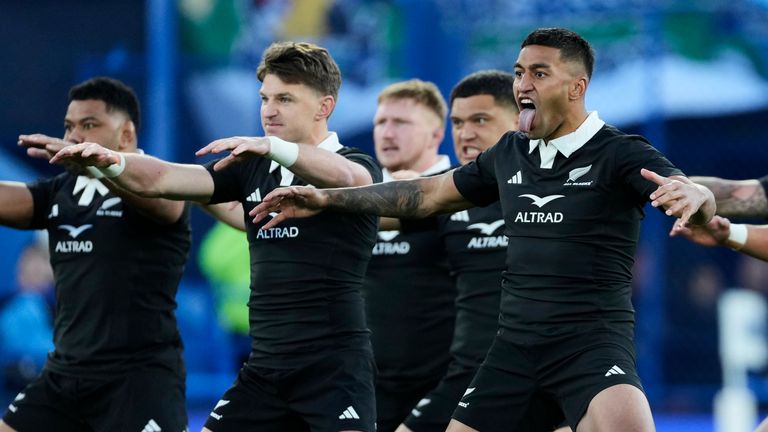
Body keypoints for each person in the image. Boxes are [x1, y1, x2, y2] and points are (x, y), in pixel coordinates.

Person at [248, 28, 716, 431]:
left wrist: (696, 199)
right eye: (518, 72)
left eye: (538, 73)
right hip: (514, 349)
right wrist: (327, 199)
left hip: (590, 344)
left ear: (577, 87)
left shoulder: (620, 152)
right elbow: (424, 196)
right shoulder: (509, 152)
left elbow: (688, 194)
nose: (522, 84)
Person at [51, 41, 382, 432]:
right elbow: (166, 178)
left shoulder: (356, 164)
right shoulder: (251, 168)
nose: (269, 110)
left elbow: (349, 180)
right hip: (266, 369)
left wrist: (273, 146)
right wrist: (112, 163)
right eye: (264, 98)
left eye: (285, 99)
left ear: (324, 107)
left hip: (335, 369)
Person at [0, 77, 191, 432]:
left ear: (127, 135)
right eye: (70, 127)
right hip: (64, 378)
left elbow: (162, 199)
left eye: (89, 125)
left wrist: (104, 165)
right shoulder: (60, 192)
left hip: (137, 381)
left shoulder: (161, 184)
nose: (74, 137)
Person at [392, 70, 519, 432]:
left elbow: (656, 182)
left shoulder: (554, 186)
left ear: (520, 121)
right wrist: (319, 198)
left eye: (480, 120)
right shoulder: (442, 194)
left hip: (540, 371)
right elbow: (364, 205)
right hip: (467, 374)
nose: (465, 133)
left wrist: (693, 193)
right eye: (458, 122)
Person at [364, 79, 455, 432]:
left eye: (400, 123)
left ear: (435, 135)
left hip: (444, 384)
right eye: (380, 122)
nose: (387, 132)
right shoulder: (358, 198)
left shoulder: (463, 193)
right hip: (369, 385)